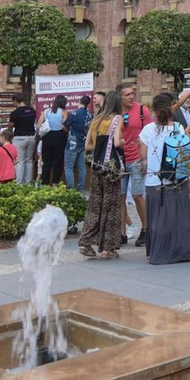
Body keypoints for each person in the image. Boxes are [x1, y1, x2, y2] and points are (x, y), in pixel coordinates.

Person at [140, 92, 190, 265]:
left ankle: (159, 251)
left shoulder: (148, 130)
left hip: (155, 179)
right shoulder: (178, 128)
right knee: (178, 215)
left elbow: (142, 156)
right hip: (176, 178)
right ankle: (181, 249)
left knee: (158, 217)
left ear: (155, 110)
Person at [77, 90, 125, 259]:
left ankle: (86, 241)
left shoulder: (95, 120)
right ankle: (108, 248)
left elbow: (88, 145)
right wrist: (123, 142)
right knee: (110, 206)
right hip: (111, 168)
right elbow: (118, 142)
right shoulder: (117, 119)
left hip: (96, 167)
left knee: (95, 205)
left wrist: (100, 145)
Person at [119, 84, 152, 246]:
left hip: (136, 158)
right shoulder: (115, 112)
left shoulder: (142, 111)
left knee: (138, 195)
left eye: (132, 94)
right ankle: (122, 233)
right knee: (120, 196)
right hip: (119, 159)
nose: (131, 97)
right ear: (120, 97)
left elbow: (149, 135)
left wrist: (145, 158)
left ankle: (146, 229)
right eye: (127, 95)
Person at [63, 94, 95, 191]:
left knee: (68, 167)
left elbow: (64, 125)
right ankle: (81, 188)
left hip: (73, 143)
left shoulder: (74, 113)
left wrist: (68, 131)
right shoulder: (90, 115)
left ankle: (71, 188)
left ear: (80, 102)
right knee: (82, 167)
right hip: (84, 144)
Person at [39, 94, 69, 186]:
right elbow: (65, 127)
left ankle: (45, 183)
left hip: (47, 137)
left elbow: (38, 124)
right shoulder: (64, 112)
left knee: (46, 161)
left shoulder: (46, 111)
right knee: (57, 161)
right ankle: (55, 183)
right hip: (59, 137)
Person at [9, 93, 38, 183]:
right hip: (31, 137)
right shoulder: (32, 110)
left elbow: (10, 126)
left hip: (19, 138)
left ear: (16, 101)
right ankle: (28, 182)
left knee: (20, 161)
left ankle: (19, 183)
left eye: (13, 102)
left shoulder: (15, 113)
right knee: (29, 161)